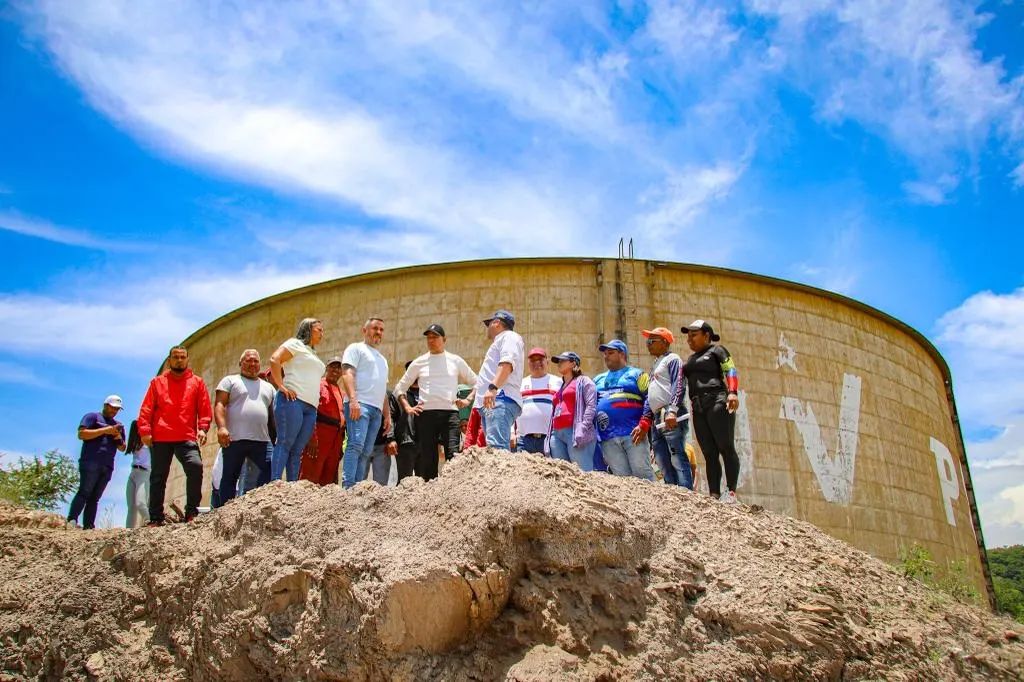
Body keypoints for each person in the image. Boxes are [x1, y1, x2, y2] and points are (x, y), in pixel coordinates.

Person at [138, 346, 212, 525]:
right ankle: (156, 517)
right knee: (158, 477)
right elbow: (146, 409)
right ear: (169, 360)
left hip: (186, 436)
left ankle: (191, 512)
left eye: (182, 357)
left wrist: (203, 428)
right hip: (161, 437)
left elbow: (204, 408)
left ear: (187, 360)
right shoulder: (157, 383)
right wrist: (145, 431)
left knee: (195, 467)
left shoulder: (197, 382)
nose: (179, 360)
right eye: (175, 357)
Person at [394, 324, 478, 480]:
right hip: (426, 415)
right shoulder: (419, 362)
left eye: (435, 337)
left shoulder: (455, 360)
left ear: (444, 339)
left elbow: (477, 382)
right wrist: (408, 407)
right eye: (429, 337)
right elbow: (400, 388)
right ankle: (430, 492)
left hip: (450, 415)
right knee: (428, 459)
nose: (431, 340)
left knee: (453, 456)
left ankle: (453, 488)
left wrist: (467, 400)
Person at [682, 319, 741, 504]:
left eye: (694, 335)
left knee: (725, 447)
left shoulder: (717, 350)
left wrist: (733, 392)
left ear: (706, 335)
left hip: (717, 400)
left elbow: (730, 369)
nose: (689, 339)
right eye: (688, 336)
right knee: (709, 452)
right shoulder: (690, 360)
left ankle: (731, 492)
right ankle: (714, 494)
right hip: (697, 406)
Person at [630, 328, 692, 489]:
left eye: (652, 341)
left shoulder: (672, 359)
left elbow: (679, 384)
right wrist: (645, 419)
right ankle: (672, 491)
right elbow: (650, 395)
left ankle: (686, 492)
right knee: (661, 458)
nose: (648, 344)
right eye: (647, 341)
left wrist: (672, 410)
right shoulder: (656, 364)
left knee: (677, 455)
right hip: (657, 416)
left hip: (669, 413)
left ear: (665, 342)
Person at [214, 349, 276, 503]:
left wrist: (277, 437)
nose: (252, 364)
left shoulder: (268, 387)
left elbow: (273, 416)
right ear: (240, 363)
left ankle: (260, 506)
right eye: (248, 360)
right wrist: (222, 428)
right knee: (230, 476)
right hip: (235, 438)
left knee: (268, 474)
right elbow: (220, 404)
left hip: (262, 441)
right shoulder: (230, 381)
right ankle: (225, 510)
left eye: (256, 361)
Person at [269, 318, 326, 481]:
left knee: (297, 449)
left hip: (311, 408)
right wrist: (281, 386)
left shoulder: (313, 353)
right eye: (319, 330)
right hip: (292, 401)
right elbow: (275, 359)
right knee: (285, 442)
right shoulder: (295, 344)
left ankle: (292, 485)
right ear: (307, 329)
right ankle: (275, 481)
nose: (322, 334)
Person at [593, 340, 655, 480]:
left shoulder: (638, 374)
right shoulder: (597, 379)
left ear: (622, 354)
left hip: (633, 434)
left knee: (642, 475)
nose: (606, 356)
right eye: (605, 354)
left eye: (610, 353)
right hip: (607, 437)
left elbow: (650, 398)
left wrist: (644, 423)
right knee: (622, 481)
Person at [341, 318, 391, 488]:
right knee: (355, 445)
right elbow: (347, 374)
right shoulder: (356, 348)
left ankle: (357, 487)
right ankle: (348, 486)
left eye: (381, 330)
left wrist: (387, 415)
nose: (378, 332)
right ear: (364, 330)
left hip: (376, 411)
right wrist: (353, 400)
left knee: (366, 451)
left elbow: (382, 389)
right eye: (375, 328)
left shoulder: (383, 360)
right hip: (359, 404)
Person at [67, 395, 126, 529]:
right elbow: (82, 434)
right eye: (113, 408)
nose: (114, 411)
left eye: (117, 409)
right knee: (84, 491)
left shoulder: (118, 425)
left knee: (95, 497)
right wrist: (105, 430)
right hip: (90, 460)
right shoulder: (93, 417)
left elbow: (122, 448)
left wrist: (117, 435)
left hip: (107, 465)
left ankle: (89, 525)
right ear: (105, 405)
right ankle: (72, 520)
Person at [473, 309, 525, 451]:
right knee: (494, 448)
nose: (487, 328)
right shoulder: (503, 340)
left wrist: (493, 388)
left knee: (497, 449)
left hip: (500, 399)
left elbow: (507, 363)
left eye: (488, 324)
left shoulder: (509, 337)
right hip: (494, 401)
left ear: (496, 323)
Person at [299, 357, 346, 486]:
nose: (335, 370)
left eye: (339, 368)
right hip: (320, 435)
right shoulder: (318, 385)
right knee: (311, 474)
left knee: (329, 477)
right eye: (332, 366)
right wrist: (311, 437)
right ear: (326, 368)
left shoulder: (341, 392)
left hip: (336, 439)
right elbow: (310, 411)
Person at [547, 352, 598, 471]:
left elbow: (591, 406)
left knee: (582, 471)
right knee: (562, 472)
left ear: (573, 363)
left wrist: (583, 428)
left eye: (562, 360)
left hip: (574, 432)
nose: (559, 363)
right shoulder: (561, 386)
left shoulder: (584, 381)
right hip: (557, 433)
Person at [513, 347, 562, 455]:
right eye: (533, 360)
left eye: (540, 359)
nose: (537, 363)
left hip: (549, 439)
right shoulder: (520, 384)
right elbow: (512, 409)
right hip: (523, 440)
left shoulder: (558, 382)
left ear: (547, 362)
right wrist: (511, 433)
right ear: (528, 363)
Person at [124, 420, 150, 528]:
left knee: (141, 504)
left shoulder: (149, 442)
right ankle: (128, 531)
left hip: (144, 473)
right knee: (131, 507)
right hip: (133, 473)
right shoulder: (136, 443)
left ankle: (152, 523)